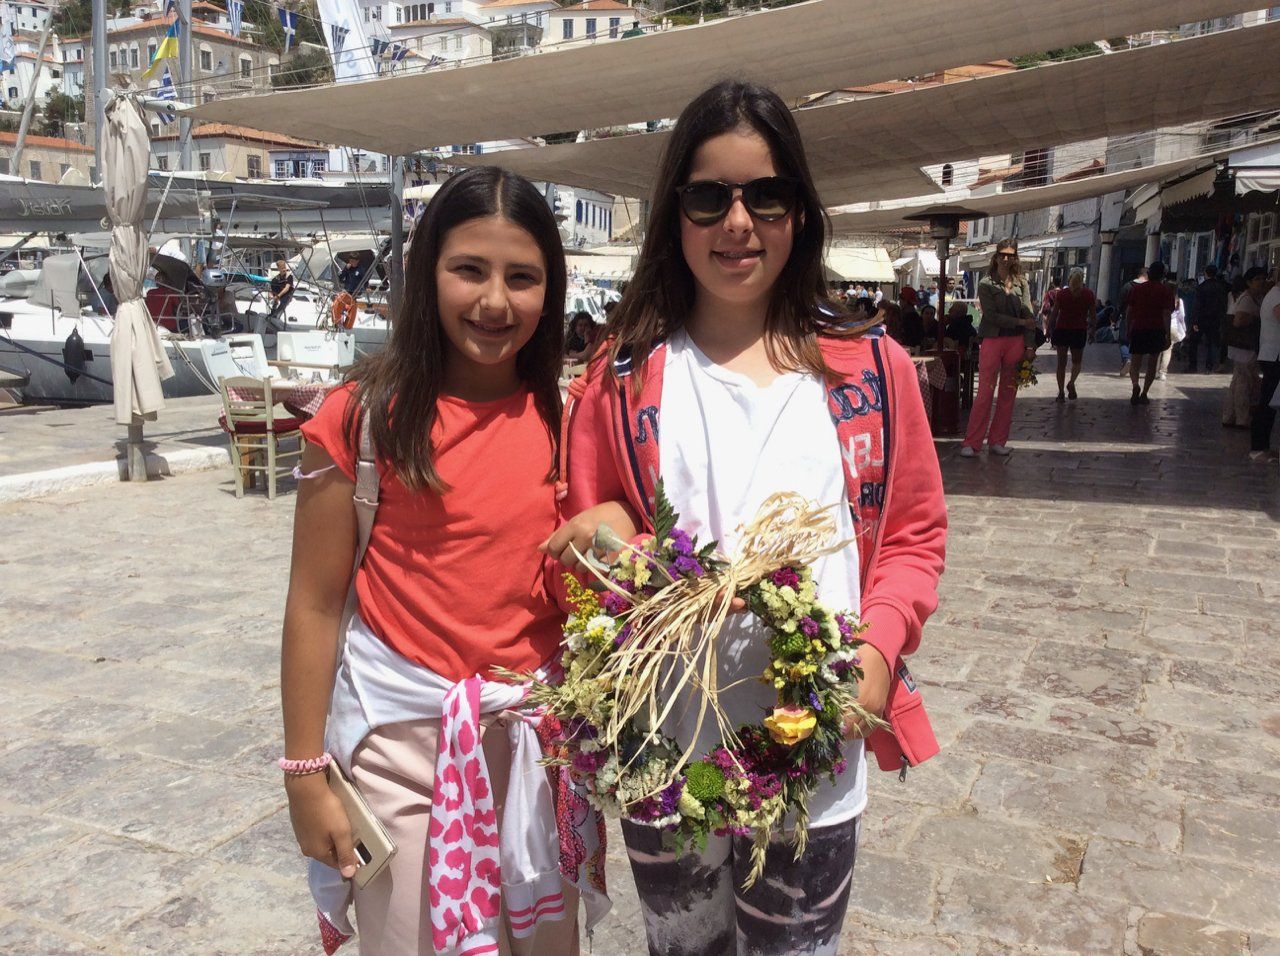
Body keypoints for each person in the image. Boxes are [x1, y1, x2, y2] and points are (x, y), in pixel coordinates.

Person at [543, 79, 946, 956]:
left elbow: (913, 536)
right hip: (666, 755)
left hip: (813, 755)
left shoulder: (870, 373)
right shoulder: (622, 379)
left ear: (799, 211)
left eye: (765, 195)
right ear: (672, 214)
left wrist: (876, 655)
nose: (737, 223)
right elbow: (584, 538)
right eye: (707, 196)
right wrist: (612, 525)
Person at [281, 166, 618, 956]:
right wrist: (304, 773)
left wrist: (617, 522)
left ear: (552, 290)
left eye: (522, 278)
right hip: (403, 754)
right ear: (426, 270)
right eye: (469, 269)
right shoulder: (359, 420)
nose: (495, 302)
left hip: (541, 757)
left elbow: (609, 585)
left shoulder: (573, 420)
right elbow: (314, 603)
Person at [960, 239, 1036, 457]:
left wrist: (1030, 344)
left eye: (1011, 255)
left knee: (1008, 394)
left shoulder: (1022, 283)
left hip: (1016, 342)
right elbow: (991, 316)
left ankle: (998, 440)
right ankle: (972, 442)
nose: (1006, 258)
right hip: (993, 340)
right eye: (1003, 254)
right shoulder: (986, 283)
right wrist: (1021, 323)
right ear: (996, 256)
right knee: (985, 392)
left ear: (1015, 258)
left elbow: (1028, 313)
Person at [1123, 261, 1176, 406]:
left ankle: (1135, 385)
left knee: (1135, 362)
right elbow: (1167, 314)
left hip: (1139, 327)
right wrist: (1168, 335)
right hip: (1156, 329)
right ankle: (1145, 393)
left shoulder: (1138, 289)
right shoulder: (1166, 291)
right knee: (1152, 364)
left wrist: (1128, 329)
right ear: (1162, 275)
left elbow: (1130, 311)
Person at [1223, 267, 1265, 428]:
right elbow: (1238, 321)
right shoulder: (1247, 299)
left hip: (1243, 346)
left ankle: (1229, 416)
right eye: (1257, 279)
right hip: (1243, 346)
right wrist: (1255, 319)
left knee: (1238, 381)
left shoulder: (1255, 298)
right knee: (1243, 383)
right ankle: (1242, 417)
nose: (1261, 282)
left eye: (1262, 278)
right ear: (1249, 282)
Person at [1047, 269, 1093, 402]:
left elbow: (1055, 313)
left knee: (1061, 364)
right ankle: (1071, 382)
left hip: (1062, 330)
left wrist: (1049, 329)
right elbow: (1093, 315)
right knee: (1077, 362)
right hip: (1079, 331)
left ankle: (1061, 392)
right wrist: (1093, 331)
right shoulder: (1088, 294)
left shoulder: (1062, 294)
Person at [1251, 267, 1280, 461]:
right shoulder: (1276, 297)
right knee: (1267, 403)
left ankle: (1263, 446)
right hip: (1273, 356)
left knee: (1269, 402)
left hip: (1272, 355)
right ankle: (1259, 448)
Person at [1188, 264, 1229, 373]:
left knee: (1194, 342)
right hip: (1215, 319)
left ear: (1206, 273)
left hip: (1202, 318)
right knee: (1212, 343)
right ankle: (1209, 366)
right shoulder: (1221, 288)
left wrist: (1195, 321)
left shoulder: (1201, 288)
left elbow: (1197, 305)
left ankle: (1193, 365)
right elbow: (1224, 304)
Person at [1117, 267, 1148, 375]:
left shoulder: (1127, 286)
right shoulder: (1148, 288)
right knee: (1137, 342)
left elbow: (1121, 304)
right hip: (1143, 319)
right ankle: (1135, 365)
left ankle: (1126, 359)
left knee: (1123, 340)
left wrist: (1116, 316)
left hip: (1127, 317)